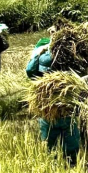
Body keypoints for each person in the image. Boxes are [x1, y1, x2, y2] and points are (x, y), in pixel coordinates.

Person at [26, 36, 81, 166]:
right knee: (49, 148)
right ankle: (54, 169)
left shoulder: (67, 78)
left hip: (67, 115)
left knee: (71, 147)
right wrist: (39, 52)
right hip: (48, 116)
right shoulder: (39, 80)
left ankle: (70, 168)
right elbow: (29, 70)